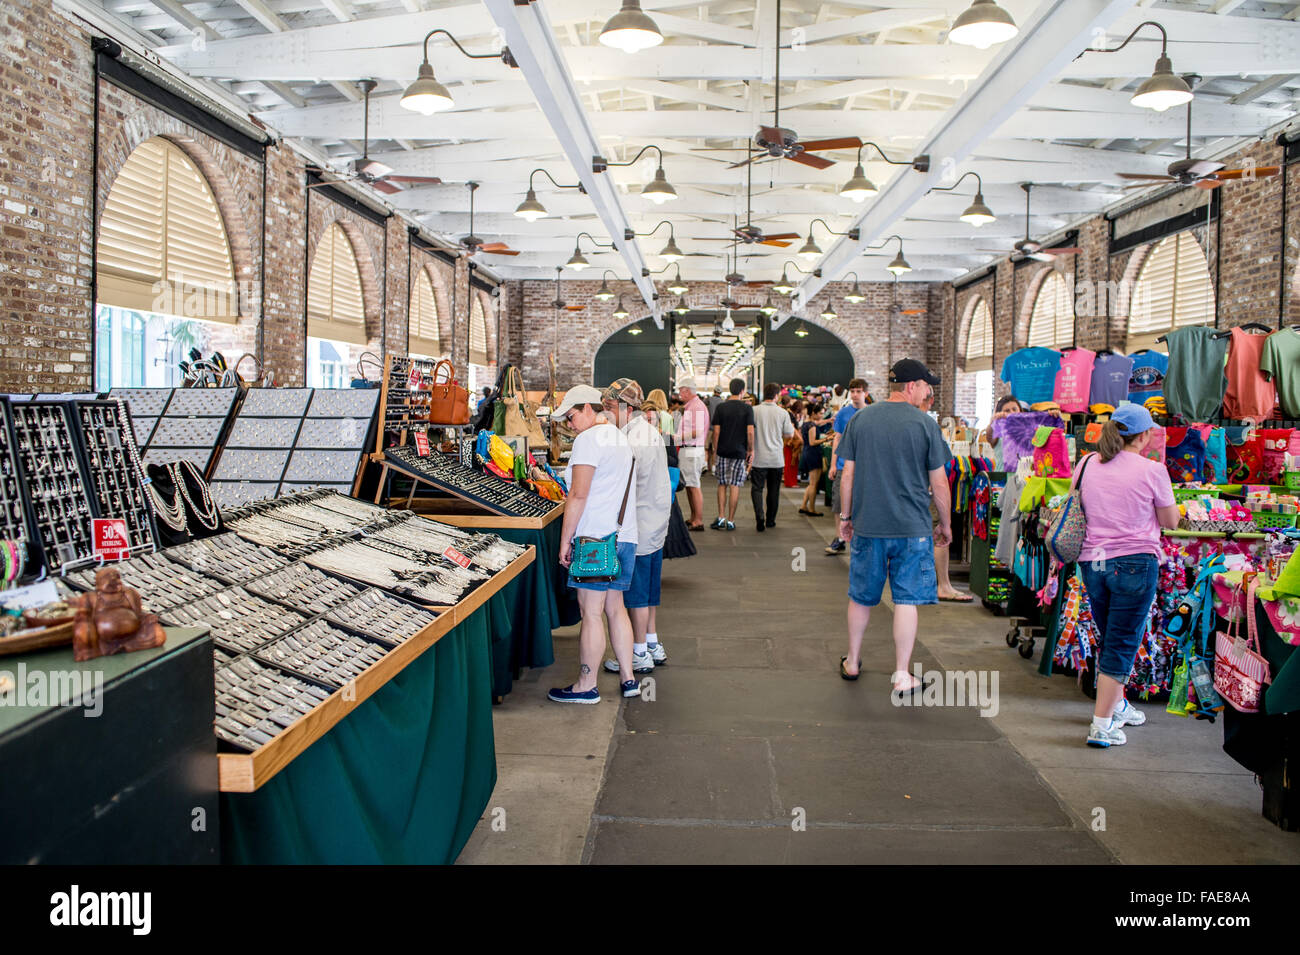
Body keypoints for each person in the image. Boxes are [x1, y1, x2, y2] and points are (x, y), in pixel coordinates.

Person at [837, 359, 951, 695]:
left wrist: (845, 517)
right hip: (912, 528)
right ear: (911, 386)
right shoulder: (925, 424)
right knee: (906, 599)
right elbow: (939, 483)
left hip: (868, 524)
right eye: (926, 386)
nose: (927, 393)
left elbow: (847, 475)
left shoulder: (860, 419)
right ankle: (901, 674)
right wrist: (945, 524)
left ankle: (852, 661)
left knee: (861, 596)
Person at [1074, 404, 1179, 748]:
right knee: (1121, 642)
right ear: (1145, 435)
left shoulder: (1087, 464)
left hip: (1094, 563)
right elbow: (1170, 521)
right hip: (1134, 564)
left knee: (1111, 636)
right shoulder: (1153, 470)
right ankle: (1101, 725)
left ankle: (1116, 705)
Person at [549, 385, 641, 704]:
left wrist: (565, 540)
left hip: (595, 540)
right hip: (625, 535)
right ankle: (629, 678)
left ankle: (586, 685)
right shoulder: (619, 437)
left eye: (571, 416)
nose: (570, 424)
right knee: (616, 609)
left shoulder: (589, 440)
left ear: (588, 408)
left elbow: (578, 494)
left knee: (590, 613)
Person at [598, 379, 671, 673]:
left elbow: (625, 485)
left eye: (609, 406)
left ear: (626, 408)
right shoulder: (647, 431)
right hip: (654, 521)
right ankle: (651, 642)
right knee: (650, 590)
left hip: (639, 524)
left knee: (636, 595)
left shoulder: (632, 440)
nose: (605, 412)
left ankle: (638, 651)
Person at [921, 387, 971, 602]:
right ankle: (943, 585)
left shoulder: (915, 424)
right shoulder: (927, 426)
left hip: (910, 492)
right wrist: (946, 522)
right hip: (924, 490)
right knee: (939, 536)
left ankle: (940, 584)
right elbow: (939, 476)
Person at [824, 378, 870, 555]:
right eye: (853, 391)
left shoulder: (871, 413)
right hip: (843, 465)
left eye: (859, 391)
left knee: (862, 505)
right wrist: (833, 464)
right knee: (839, 503)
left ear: (865, 393)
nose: (855, 395)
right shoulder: (843, 413)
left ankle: (861, 540)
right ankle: (840, 538)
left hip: (864, 467)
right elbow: (837, 438)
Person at [709, 377, 755, 530]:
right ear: (742, 391)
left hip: (723, 451)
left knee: (722, 484)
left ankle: (721, 517)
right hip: (739, 451)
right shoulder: (747, 409)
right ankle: (730, 521)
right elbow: (750, 432)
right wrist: (750, 449)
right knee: (735, 485)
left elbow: (716, 432)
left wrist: (715, 451)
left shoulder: (721, 407)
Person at [751, 381, 795, 531]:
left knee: (757, 488)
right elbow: (789, 434)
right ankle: (770, 520)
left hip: (758, 457)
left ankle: (759, 516)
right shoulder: (783, 413)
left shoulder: (754, 411)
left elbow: (749, 431)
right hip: (776, 458)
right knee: (773, 490)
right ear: (776, 396)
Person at [674, 377, 709, 531]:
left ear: (687, 390)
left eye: (680, 391)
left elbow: (698, 431)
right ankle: (694, 517)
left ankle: (698, 520)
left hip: (691, 450)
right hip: (690, 449)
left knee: (693, 485)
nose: (679, 394)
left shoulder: (696, 407)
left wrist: (677, 438)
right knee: (690, 485)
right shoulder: (692, 406)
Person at [799, 402, 830, 515]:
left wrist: (828, 420)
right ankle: (811, 509)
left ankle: (804, 506)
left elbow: (819, 422)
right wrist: (827, 439)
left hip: (808, 453)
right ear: (814, 413)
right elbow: (812, 442)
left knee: (811, 483)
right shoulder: (811, 426)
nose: (822, 416)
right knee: (813, 484)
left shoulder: (807, 423)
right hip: (813, 453)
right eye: (820, 413)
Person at [978, 395, 1024, 469]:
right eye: (1007, 411)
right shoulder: (998, 431)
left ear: (1020, 411)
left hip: (1024, 475)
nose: (1011, 412)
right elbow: (989, 436)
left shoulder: (1027, 431)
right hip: (1002, 475)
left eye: (1014, 409)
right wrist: (993, 420)